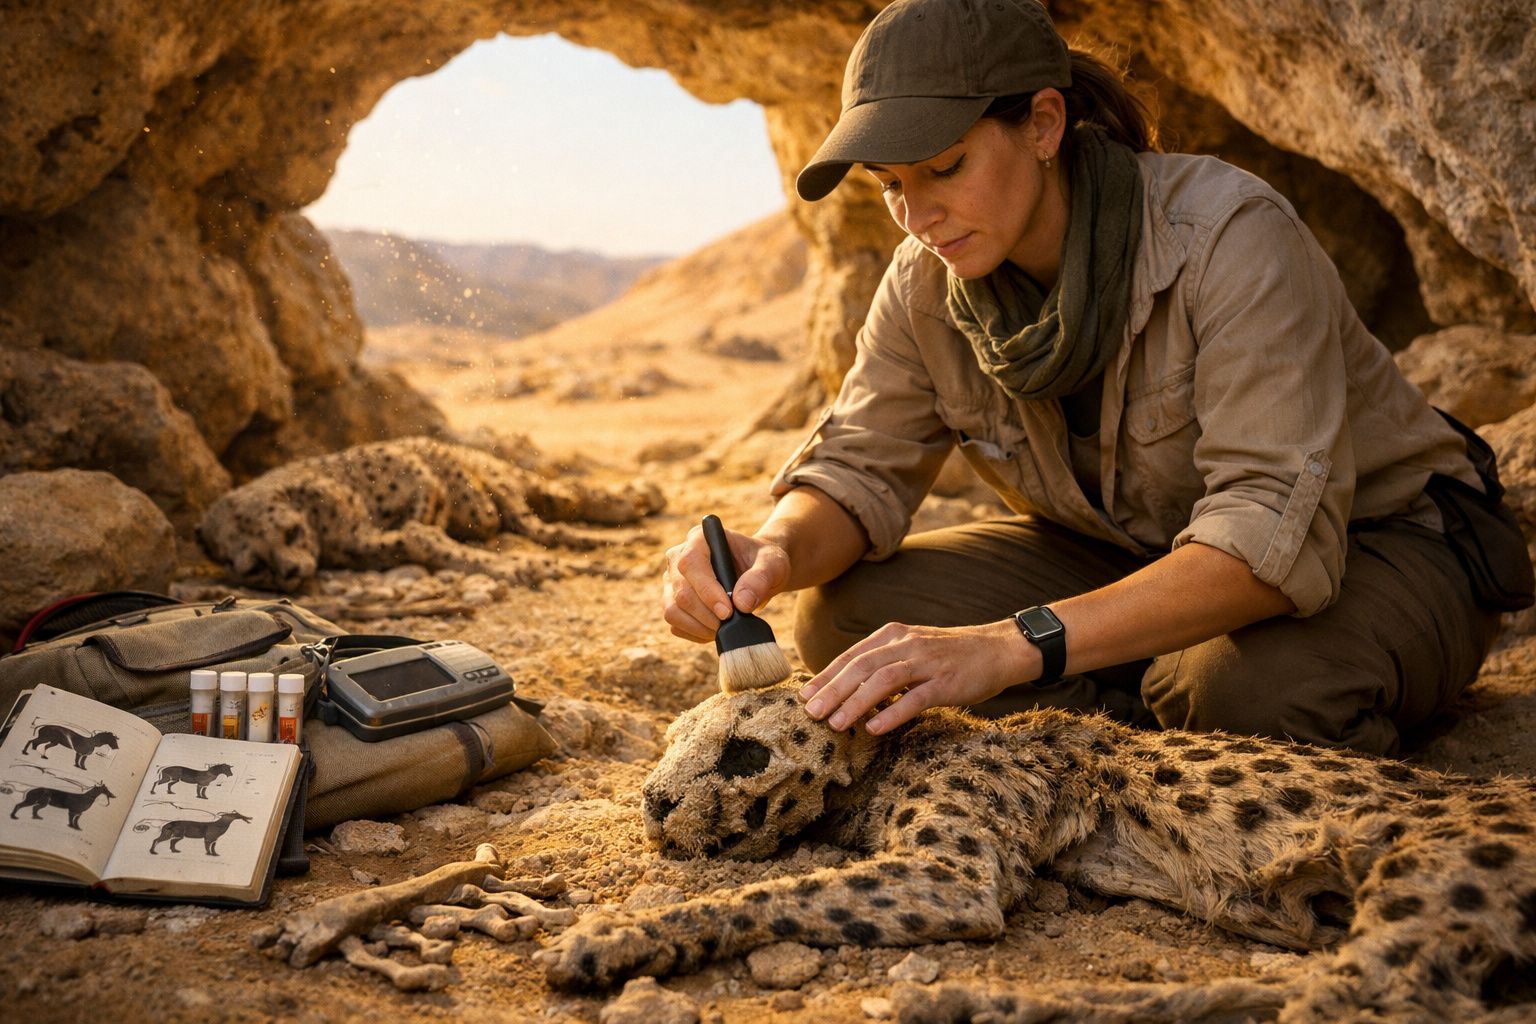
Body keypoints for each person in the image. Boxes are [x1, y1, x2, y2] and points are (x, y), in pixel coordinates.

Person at [662, 0, 1533, 754]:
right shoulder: (926, 277)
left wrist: (1012, 646)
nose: (917, 214)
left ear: (1043, 124)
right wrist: (773, 551)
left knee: (1238, 695)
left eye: (945, 167)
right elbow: (857, 468)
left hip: (1379, 543)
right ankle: (1149, 676)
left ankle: (1171, 684)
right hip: (1138, 552)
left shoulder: (1228, 234)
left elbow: (1269, 539)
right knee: (842, 619)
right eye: (890, 184)